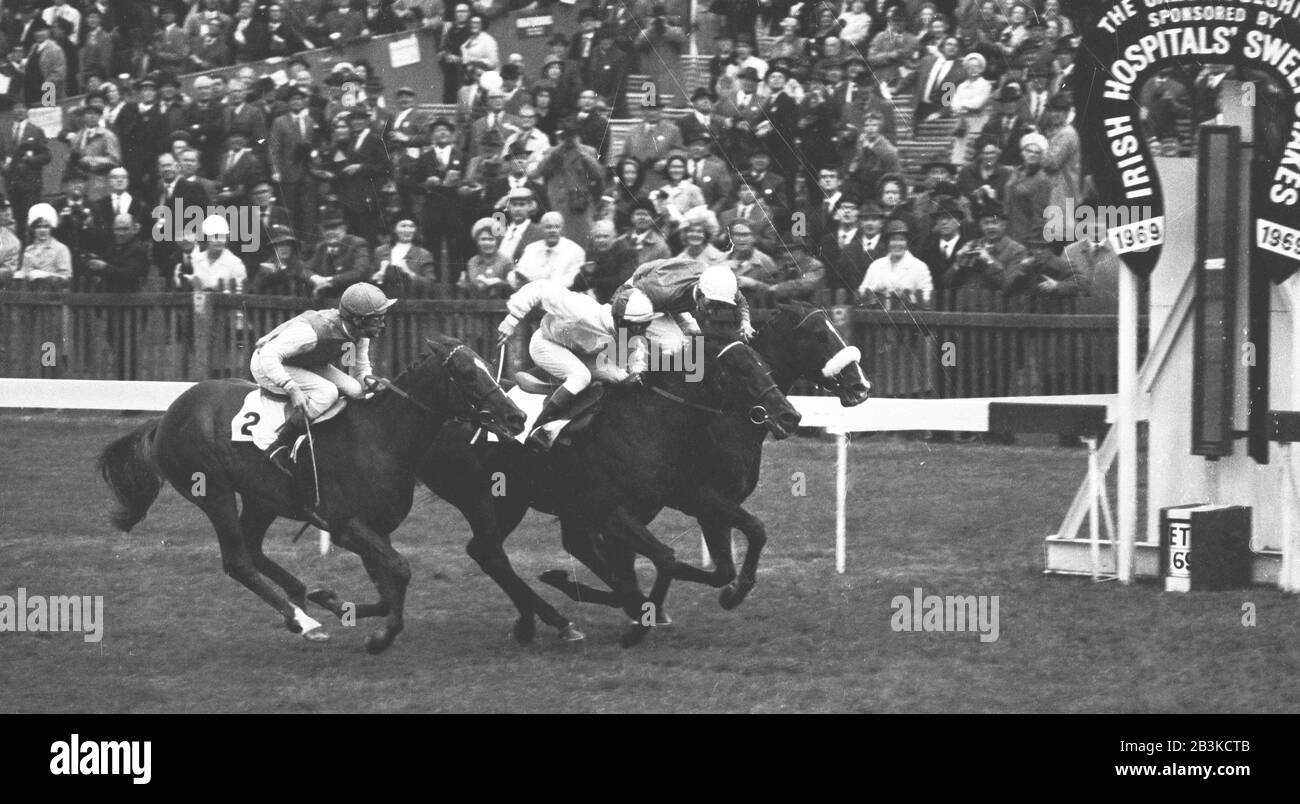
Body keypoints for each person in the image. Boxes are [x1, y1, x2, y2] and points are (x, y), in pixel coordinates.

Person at [251, 282, 396, 475]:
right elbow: (268, 354)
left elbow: (359, 373)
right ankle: (279, 447)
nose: (382, 324)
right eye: (377, 319)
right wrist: (292, 388)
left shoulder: (359, 335)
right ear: (359, 319)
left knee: (355, 390)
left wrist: (371, 382)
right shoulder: (310, 334)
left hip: (303, 361)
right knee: (327, 392)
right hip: (266, 364)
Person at [496, 279, 657, 449]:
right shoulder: (582, 310)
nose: (639, 332)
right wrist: (511, 320)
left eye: (644, 326)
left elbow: (637, 353)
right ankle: (541, 427)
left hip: (580, 353)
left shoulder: (628, 326)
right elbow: (539, 288)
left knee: (621, 377)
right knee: (580, 376)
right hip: (546, 344)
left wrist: (637, 371)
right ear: (618, 318)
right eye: (634, 327)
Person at [859, 219, 933, 307]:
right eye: (893, 240)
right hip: (878, 315)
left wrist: (907, 296)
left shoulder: (920, 267)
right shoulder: (876, 265)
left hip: (907, 316)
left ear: (907, 243)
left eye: (902, 240)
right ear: (888, 243)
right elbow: (862, 291)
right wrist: (877, 290)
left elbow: (927, 296)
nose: (897, 244)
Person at [511, 211, 585, 289]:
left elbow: (573, 278)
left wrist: (544, 286)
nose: (552, 231)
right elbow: (519, 271)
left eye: (557, 227)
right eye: (548, 227)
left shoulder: (575, 251)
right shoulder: (531, 249)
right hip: (531, 293)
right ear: (541, 229)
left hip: (561, 294)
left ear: (562, 229)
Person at [12, 203, 72, 289]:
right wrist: (21, 274)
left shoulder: (61, 249)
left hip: (53, 295)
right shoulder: (29, 250)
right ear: (33, 229)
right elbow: (26, 272)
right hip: (30, 295)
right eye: (38, 227)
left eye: (46, 226)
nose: (42, 230)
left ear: (51, 228)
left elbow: (66, 277)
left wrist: (46, 275)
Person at [372, 218, 437, 297]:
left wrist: (409, 272)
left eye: (411, 226)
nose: (407, 230)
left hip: (410, 304)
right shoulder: (380, 251)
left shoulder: (423, 254)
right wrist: (377, 275)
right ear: (394, 229)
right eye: (403, 226)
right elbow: (368, 281)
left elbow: (430, 285)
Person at [461, 217, 513, 298]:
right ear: (477, 241)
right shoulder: (472, 262)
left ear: (497, 241)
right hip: (476, 306)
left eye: (491, 239)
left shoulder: (506, 261)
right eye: (483, 239)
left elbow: (513, 287)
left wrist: (499, 282)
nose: (487, 243)